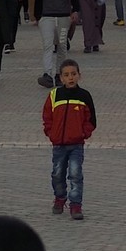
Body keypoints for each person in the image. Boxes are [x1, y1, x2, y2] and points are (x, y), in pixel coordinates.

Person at [42, 55, 96, 219]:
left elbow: (91, 120)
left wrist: (83, 133)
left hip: (76, 145)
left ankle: (76, 205)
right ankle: (60, 198)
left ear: (79, 75)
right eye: (66, 75)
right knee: (57, 174)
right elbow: (47, 117)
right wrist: (51, 133)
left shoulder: (84, 96)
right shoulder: (54, 95)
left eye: (73, 74)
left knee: (75, 174)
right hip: (58, 144)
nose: (70, 77)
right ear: (61, 78)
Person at [32, 0, 79, 86]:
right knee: (47, 45)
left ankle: (59, 74)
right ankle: (47, 74)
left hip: (63, 16)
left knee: (62, 46)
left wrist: (75, 10)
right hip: (47, 16)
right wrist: (37, 16)